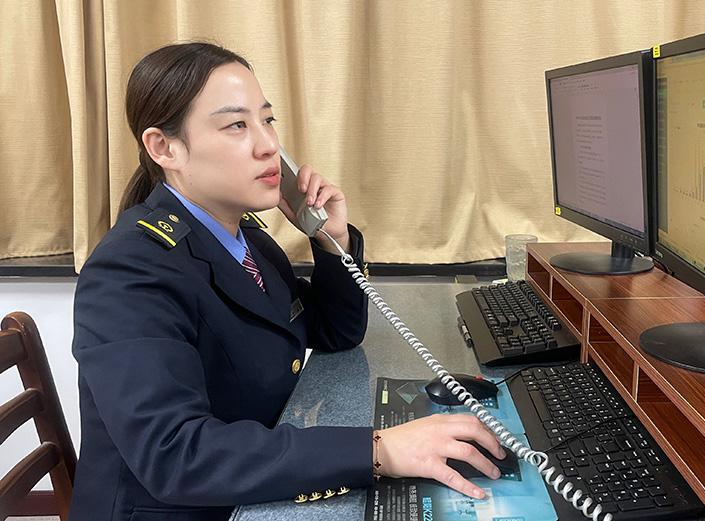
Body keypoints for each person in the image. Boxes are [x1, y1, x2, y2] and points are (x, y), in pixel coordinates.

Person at [70, 42, 505, 521]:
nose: (268, 146)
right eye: (237, 125)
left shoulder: (247, 241)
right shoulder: (130, 272)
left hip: (252, 489)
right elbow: (174, 454)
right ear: (164, 148)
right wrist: (378, 449)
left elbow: (334, 332)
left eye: (267, 120)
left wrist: (331, 239)